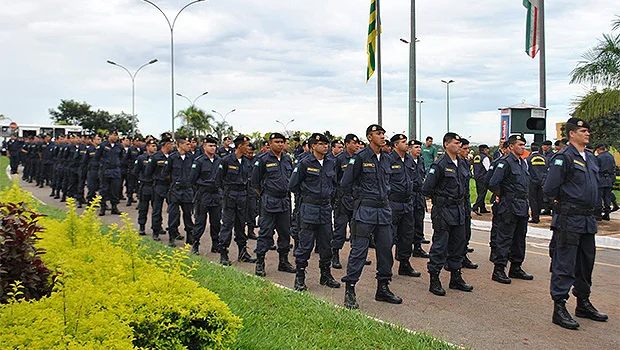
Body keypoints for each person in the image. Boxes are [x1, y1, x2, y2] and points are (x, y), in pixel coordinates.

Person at [544, 117, 608, 330]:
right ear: (572, 133)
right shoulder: (564, 157)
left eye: (588, 130)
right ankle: (559, 307)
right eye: (583, 130)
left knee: (585, 262)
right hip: (569, 218)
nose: (587, 133)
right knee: (565, 262)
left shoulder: (590, 158)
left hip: (587, 219)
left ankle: (583, 302)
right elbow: (550, 187)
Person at [341, 124, 402, 309]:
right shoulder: (360, 157)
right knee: (359, 251)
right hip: (365, 211)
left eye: (383, 133)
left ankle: (382, 288)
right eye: (378, 134)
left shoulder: (387, 157)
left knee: (385, 251)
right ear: (369, 137)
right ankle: (350, 290)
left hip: (384, 211)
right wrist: (357, 203)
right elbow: (345, 183)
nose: (383, 136)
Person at [422, 132, 473, 296]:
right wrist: (440, 200)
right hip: (443, 210)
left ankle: (456, 277)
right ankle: (434, 279)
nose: (459, 145)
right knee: (440, 246)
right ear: (446, 144)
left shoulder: (462, 164)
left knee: (459, 244)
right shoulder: (439, 165)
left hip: (459, 210)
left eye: (460, 142)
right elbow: (426, 189)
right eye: (456, 142)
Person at [289, 132, 340, 290]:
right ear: (313, 146)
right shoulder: (304, 163)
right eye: (321, 144)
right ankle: (300, 277)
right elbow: (293, 185)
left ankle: (325, 275)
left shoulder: (332, 163)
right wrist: (308, 195)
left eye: (326, 144)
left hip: (325, 209)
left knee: (326, 245)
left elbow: (335, 183)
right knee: (305, 245)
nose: (325, 146)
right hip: (309, 209)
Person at [488, 135, 533, 284]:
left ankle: (516, 267)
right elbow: (493, 183)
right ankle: (499, 269)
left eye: (524, 145)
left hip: (522, 204)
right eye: (520, 145)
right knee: (505, 238)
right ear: (511, 146)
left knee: (520, 239)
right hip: (509, 205)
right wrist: (503, 195)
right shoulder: (505, 163)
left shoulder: (523, 163)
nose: (523, 147)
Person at [253, 133, 296, 276]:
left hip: (284, 202)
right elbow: (255, 183)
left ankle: (283, 261)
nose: (280, 144)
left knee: (285, 233)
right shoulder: (262, 160)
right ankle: (260, 262)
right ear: (270, 144)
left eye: (282, 142)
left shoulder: (287, 159)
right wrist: (265, 195)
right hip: (269, 201)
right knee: (265, 232)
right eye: (276, 142)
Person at [217, 135, 256, 265]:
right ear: (240, 146)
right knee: (227, 224)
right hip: (230, 196)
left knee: (241, 225)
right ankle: (223, 253)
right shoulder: (226, 160)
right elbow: (218, 180)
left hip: (243, 196)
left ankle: (243, 252)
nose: (248, 148)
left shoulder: (246, 161)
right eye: (246, 145)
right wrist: (226, 193)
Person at [388, 134, 421, 277]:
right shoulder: (388, 159)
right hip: (393, 203)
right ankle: (386, 267)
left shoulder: (409, 160)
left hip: (408, 203)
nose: (406, 144)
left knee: (407, 236)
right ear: (395, 145)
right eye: (403, 142)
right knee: (389, 238)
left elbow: (415, 180)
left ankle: (404, 264)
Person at [331, 133, 361, 269]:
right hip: (342, 200)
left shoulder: (360, 158)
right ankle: (335, 255)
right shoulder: (339, 159)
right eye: (353, 143)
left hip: (356, 199)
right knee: (340, 230)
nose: (356, 145)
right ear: (347, 144)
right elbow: (334, 179)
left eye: (357, 143)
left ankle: (356, 256)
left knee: (356, 230)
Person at [190, 136, 222, 254]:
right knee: (200, 221)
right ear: (204, 147)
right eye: (210, 146)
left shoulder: (219, 160)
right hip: (203, 194)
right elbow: (192, 179)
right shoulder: (199, 161)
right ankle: (195, 244)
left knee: (216, 222)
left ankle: (215, 244)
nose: (213, 148)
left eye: (214, 146)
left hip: (216, 195)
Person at [164, 136, 195, 247]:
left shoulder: (191, 157)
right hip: (175, 189)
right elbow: (166, 173)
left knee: (188, 213)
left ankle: (189, 236)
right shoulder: (172, 158)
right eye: (187, 144)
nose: (189, 145)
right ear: (180, 145)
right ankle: (172, 236)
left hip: (187, 189)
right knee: (173, 214)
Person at [146, 137, 174, 241]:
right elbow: (148, 172)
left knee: (173, 209)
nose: (173, 146)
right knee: (157, 209)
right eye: (171, 144)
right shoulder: (155, 157)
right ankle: (156, 231)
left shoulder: (173, 156)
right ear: (166, 145)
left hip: (171, 186)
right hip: (159, 185)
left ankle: (173, 230)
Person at [459, 138, 478, 269]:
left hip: (465, 201)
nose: (467, 151)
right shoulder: (451, 163)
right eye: (464, 149)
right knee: (457, 234)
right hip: (453, 203)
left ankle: (463, 255)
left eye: (467, 149)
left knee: (466, 231)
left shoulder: (465, 163)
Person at [409, 140, 430, 257]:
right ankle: (404, 249)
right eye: (416, 147)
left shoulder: (421, 161)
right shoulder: (406, 161)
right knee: (408, 224)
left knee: (419, 222)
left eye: (419, 147)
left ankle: (417, 247)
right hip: (410, 195)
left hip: (419, 196)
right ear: (410, 149)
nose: (419, 149)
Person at [95, 131, 123, 216]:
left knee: (115, 189)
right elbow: (97, 157)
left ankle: (114, 207)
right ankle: (102, 207)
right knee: (104, 189)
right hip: (105, 170)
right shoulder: (103, 145)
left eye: (117, 136)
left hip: (115, 170)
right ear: (109, 136)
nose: (115, 137)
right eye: (114, 135)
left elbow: (122, 157)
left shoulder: (119, 146)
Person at [134, 139, 158, 235]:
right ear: (147, 147)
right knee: (143, 207)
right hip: (145, 185)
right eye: (152, 146)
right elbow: (135, 171)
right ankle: (142, 226)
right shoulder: (141, 158)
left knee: (156, 208)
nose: (154, 148)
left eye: (155, 146)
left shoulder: (158, 157)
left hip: (155, 185)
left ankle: (157, 226)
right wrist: (141, 179)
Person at [526, 143, 547, 223]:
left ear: (531, 149)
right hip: (542, 182)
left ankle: (535, 217)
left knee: (533, 200)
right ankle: (538, 214)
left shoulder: (528, 159)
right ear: (538, 149)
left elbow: (526, 170)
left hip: (532, 182)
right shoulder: (544, 158)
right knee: (539, 199)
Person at [596, 144, 615, 221]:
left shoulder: (599, 157)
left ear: (599, 150)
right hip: (609, 179)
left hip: (600, 178)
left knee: (599, 197)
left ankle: (598, 214)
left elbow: (596, 168)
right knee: (607, 197)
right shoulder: (611, 156)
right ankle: (607, 214)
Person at [472, 144, 491, 215]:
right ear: (485, 150)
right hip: (483, 178)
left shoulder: (476, 157)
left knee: (479, 192)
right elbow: (488, 168)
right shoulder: (485, 158)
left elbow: (474, 168)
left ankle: (482, 208)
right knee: (482, 193)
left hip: (477, 177)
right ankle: (475, 207)